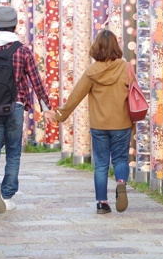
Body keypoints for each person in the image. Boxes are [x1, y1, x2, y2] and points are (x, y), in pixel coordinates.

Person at [0, 5, 52, 213]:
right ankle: (7, 195)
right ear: (15, 25)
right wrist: (45, 106)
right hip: (15, 106)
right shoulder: (22, 50)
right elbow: (36, 80)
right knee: (13, 153)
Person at [45, 29, 132, 214]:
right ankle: (121, 183)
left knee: (101, 164)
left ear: (96, 47)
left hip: (99, 125)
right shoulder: (125, 68)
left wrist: (60, 115)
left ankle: (102, 203)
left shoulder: (91, 72)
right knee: (120, 159)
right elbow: (136, 93)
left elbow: (76, 96)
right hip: (122, 122)